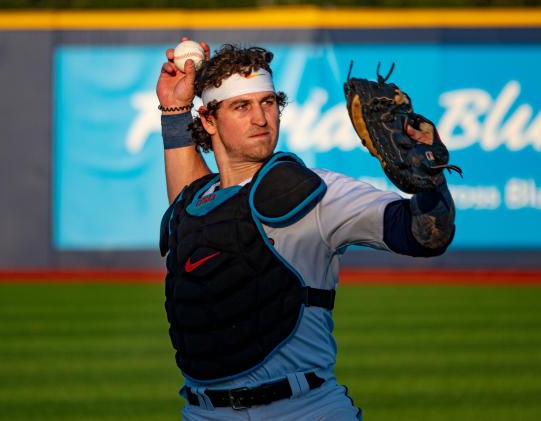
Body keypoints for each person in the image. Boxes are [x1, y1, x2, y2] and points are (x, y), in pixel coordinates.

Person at [156, 39, 456, 421]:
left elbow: (425, 235)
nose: (261, 118)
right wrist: (173, 107)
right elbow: (193, 177)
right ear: (209, 120)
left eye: (268, 102)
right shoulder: (195, 200)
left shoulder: (316, 192)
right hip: (203, 414)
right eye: (242, 106)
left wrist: (430, 183)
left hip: (302, 409)